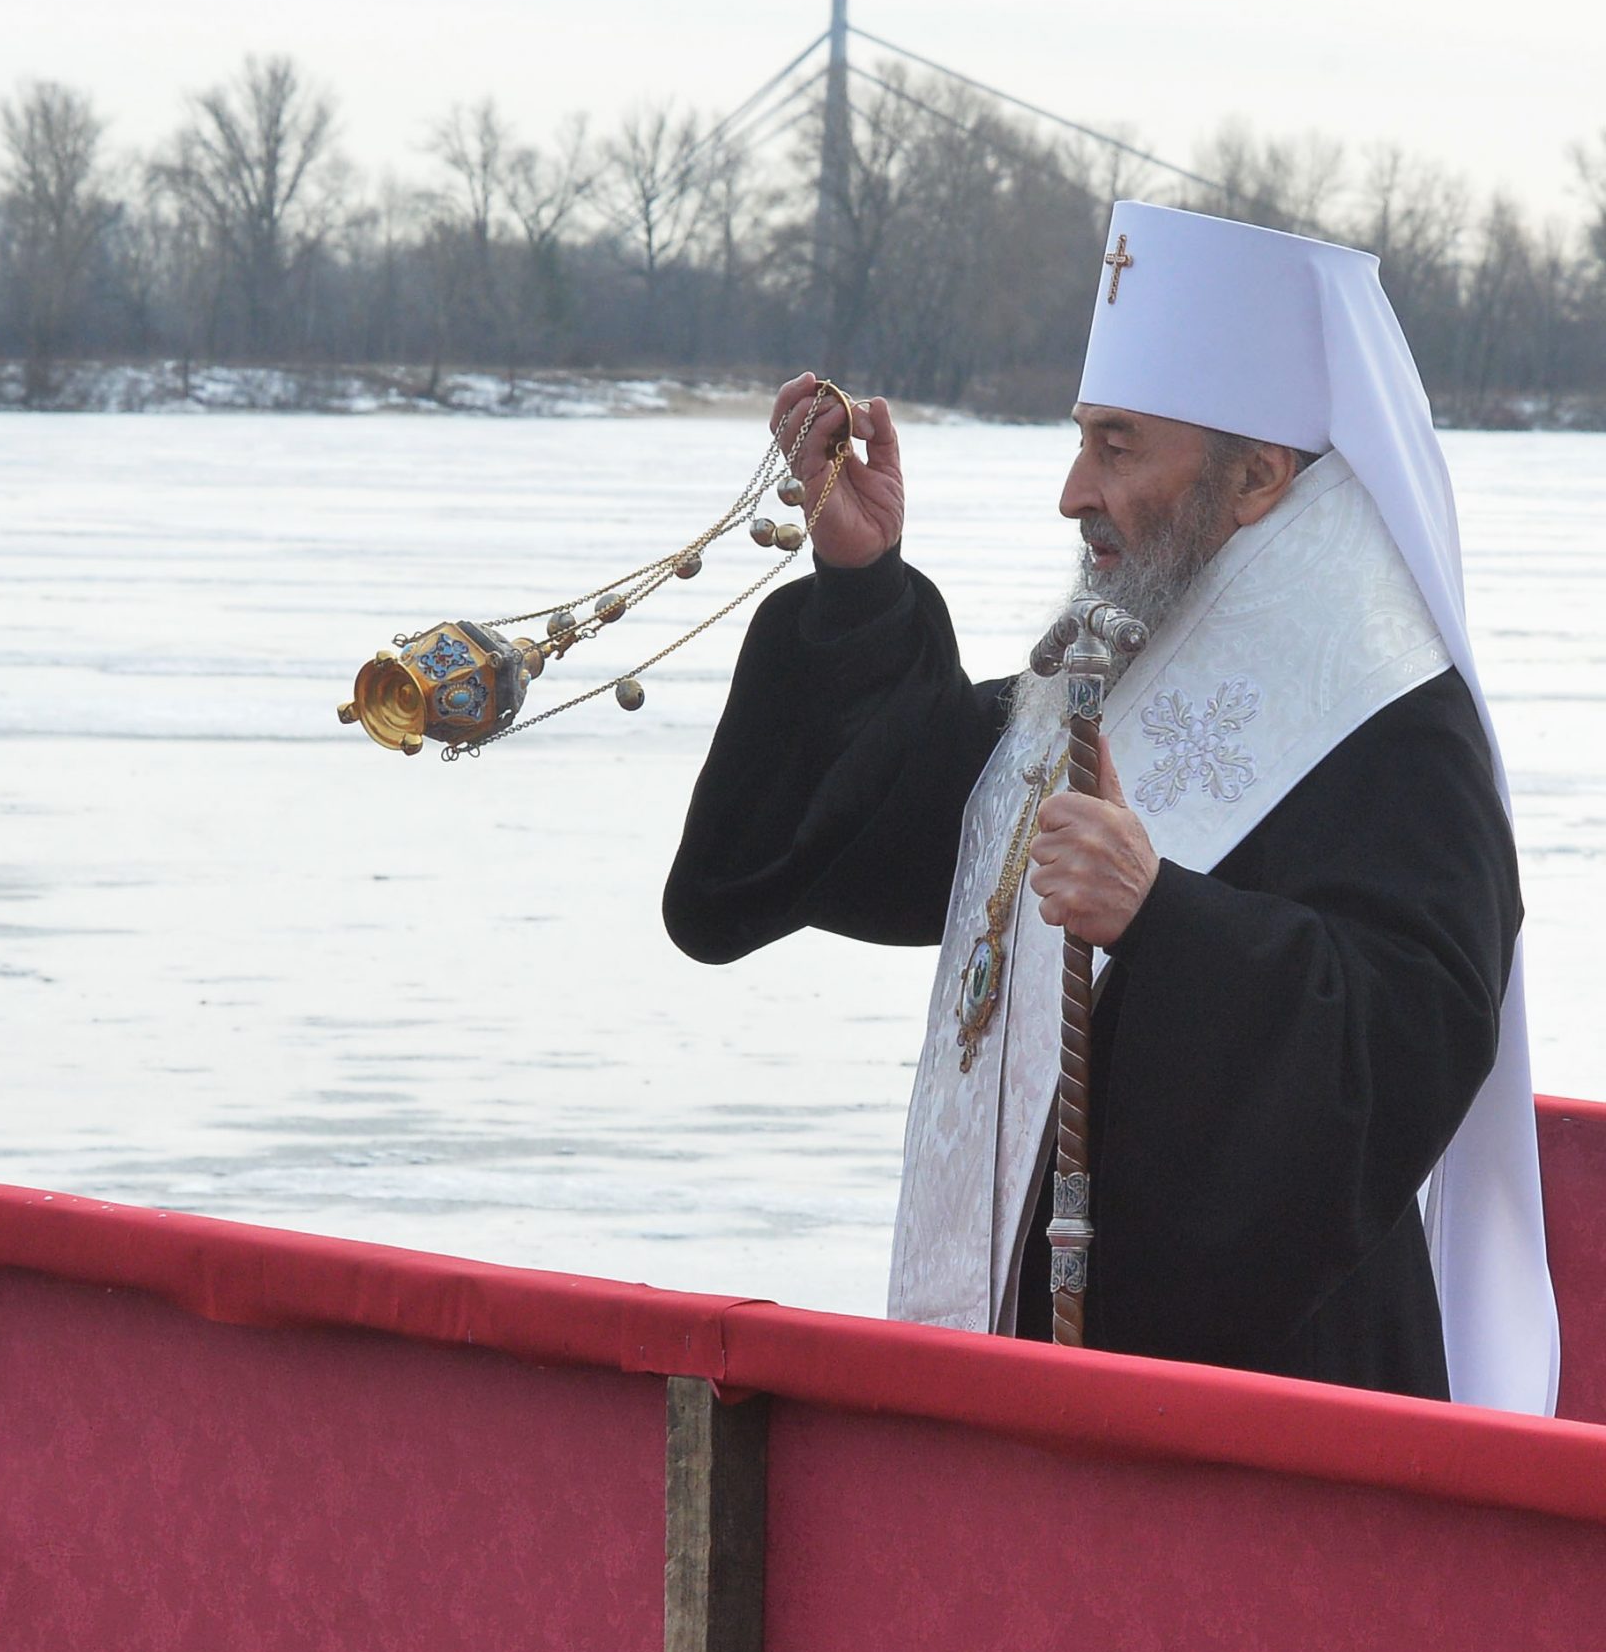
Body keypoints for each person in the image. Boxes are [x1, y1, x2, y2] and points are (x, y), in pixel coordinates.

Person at [662, 202, 1557, 1411]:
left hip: (1272, 1400)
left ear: (1257, 477)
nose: (1073, 490)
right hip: (1032, 1348)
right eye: (1083, 439)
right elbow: (902, 829)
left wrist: (1160, 916)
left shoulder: (1390, 717)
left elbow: (1407, 1046)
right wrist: (860, 587)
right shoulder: (1123, 652)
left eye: (1120, 446)